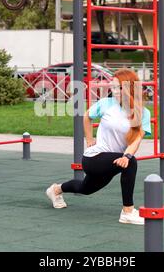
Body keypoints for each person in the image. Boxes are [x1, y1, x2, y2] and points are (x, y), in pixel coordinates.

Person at [46, 69, 152, 225]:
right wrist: (89, 140)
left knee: (85, 188)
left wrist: (126, 156)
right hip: (93, 158)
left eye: (119, 87)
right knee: (132, 163)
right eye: (113, 87)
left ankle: (55, 190)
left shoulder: (143, 113)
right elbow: (87, 117)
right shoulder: (106, 104)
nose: (114, 91)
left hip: (114, 161)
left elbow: (136, 140)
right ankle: (127, 212)